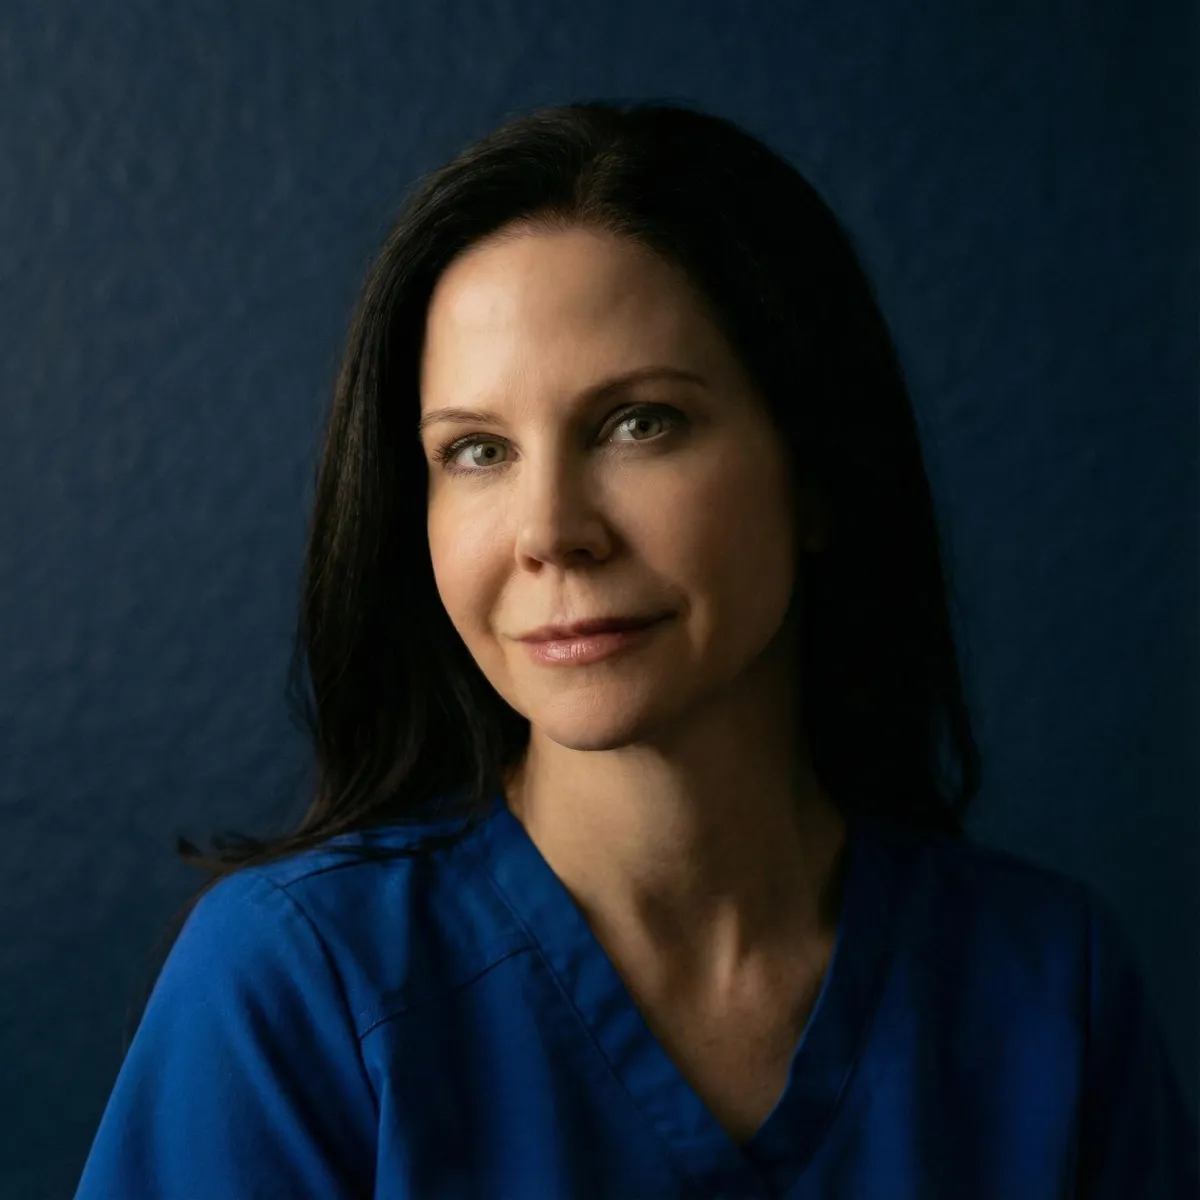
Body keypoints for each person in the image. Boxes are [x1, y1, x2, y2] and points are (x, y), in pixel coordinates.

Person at [75, 98, 1198, 1199]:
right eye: (475, 450)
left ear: (813, 468)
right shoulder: (294, 984)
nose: (551, 531)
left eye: (639, 424)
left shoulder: (1054, 991)